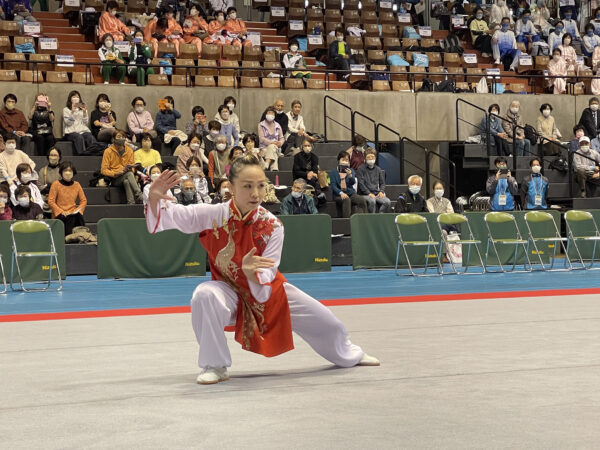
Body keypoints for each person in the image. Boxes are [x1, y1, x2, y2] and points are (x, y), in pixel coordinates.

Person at [145, 157, 378, 384]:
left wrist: (251, 274)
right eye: (247, 186)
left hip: (267, 291)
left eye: (260, 186)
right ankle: (214, 364)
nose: (256, 193)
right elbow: (173, 215)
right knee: (203, 295)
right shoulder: (213, 215)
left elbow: (268, 271)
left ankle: (350, 354)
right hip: (227, 291)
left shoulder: (272, 226)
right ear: (231, 187)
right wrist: (154, 198)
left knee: (327, 322)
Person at [101, 129, 143, 204]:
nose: (121, 138)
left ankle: (131, 202)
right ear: (114, 139)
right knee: (129, 174)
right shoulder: (108, 151)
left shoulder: (129, 150)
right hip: (114, 178)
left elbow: (132, 166)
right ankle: (139, 195)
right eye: (119, 136)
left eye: (123, 137)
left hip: (126, 175)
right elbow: (103, 170)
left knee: (126, 180)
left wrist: (130, 169)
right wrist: (115, 173)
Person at [48, 161, 87, 235]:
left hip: (73, 213)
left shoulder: (77, 184)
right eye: (65, 170)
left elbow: (83, 200)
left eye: (70, 170)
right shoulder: (56, 184)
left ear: (73, 172)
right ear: (61, 172)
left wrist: (78, 210)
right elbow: (51, 201)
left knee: (78, 217)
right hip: (60, 214)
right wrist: (61, 212)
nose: (68, 173)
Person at [330, 151, 367, 218]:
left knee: (362, 200)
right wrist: (341, 193)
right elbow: (333, 185)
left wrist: (350, 175)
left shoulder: (351, 170)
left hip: (350, 193)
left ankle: (364, 219)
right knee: (347, 200)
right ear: (339, 160)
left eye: (347, 160)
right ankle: (346, 221)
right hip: (338, 195)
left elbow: (352, 183)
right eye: (343, 159)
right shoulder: (333, 172)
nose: (345, 161)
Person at [62, 91, 98, 156]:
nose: (76, 98)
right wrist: (72, 112)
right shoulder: (66, 109)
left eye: (77, 97)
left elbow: (86, 123)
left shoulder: (82, 109)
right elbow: (68, 122)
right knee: (79, 137)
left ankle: (94, 155)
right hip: (71, 132)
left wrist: (84, 112)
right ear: (70, 99)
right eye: (74, 97)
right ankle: (82, 156)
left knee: (90, 137)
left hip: (82, 131)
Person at [292, 139, 326, 205]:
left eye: (308, 145)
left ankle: (313, 200)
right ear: (302, 146)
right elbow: (296, 171)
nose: (307, 147)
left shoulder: (314, 157)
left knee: (313, 180)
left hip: (311, 178)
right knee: (311, 182)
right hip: (300, 177)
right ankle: (316, 196)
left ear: (311, 146)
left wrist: (312, 174)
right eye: (305, 145)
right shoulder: (297, 156)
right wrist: (307, 174)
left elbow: (315, 170)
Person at [258, 107, 284, 171]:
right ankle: (274, 169)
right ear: (265, 114)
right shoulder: (261, 125)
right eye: (269, 112)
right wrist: (272, 143)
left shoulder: (278, 125)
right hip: (264, 149)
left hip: (276, 147)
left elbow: (282, 138)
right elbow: (261, 138)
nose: (270, 114)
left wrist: (280, 143)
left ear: (274, 115)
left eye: (272, 113)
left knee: (272, 147)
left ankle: (266, 164)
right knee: (273, 149)